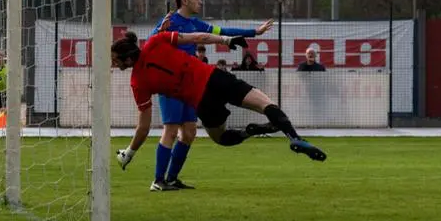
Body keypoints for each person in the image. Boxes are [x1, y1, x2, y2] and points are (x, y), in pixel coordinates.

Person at [112, 30, 326, 173]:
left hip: (202, 100)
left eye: (115, 60)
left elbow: (144, 127)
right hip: (215, 77)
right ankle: (294, 137)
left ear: (129, 59)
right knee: (265, 103)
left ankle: (248, 132)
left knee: (222, 138)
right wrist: (226, 39)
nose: (113, 64)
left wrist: (129, 152)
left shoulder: (137, 82)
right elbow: (198, 37)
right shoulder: (155, 41)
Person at [146, 0, 274, 192]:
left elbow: (223, 32)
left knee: (188, 133)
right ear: (185, 0)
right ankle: (157, 181)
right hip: (170, 84)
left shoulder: (196, 24)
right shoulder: (169, 22)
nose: (200, 1)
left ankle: (171, 179)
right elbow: (151, 43)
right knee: (170, 130)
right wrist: (158, 31)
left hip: (189, 86)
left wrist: (254, 32)